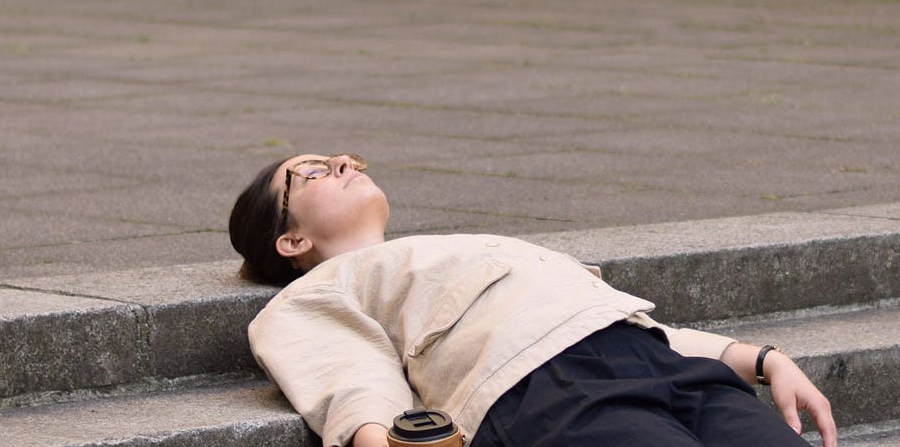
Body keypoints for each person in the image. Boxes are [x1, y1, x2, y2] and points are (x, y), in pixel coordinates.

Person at [231, 153, 837, 447]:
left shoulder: (449, 245)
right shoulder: (318, 290)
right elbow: (346, 373)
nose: (343, 161)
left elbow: (603, 317)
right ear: (292, 239)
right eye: (311, 171)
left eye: (345, 159)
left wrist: (763, 359)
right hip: (544, 391)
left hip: (659, 365)